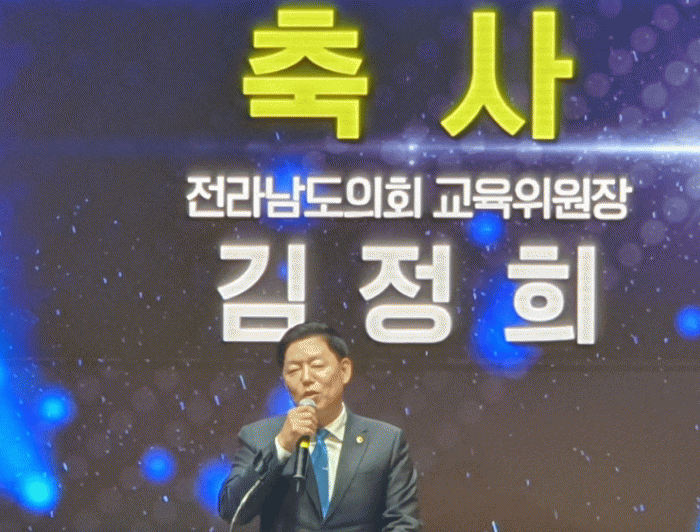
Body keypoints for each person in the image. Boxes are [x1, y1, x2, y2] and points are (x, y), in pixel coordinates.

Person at [218, 321, 421, 532]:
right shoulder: (259, 436)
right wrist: (282, 446)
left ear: (344, 370)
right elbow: (232, 511)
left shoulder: (386, 441)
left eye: (317, 366)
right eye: (293, 370)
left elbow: (404, 522)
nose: (306, 378)